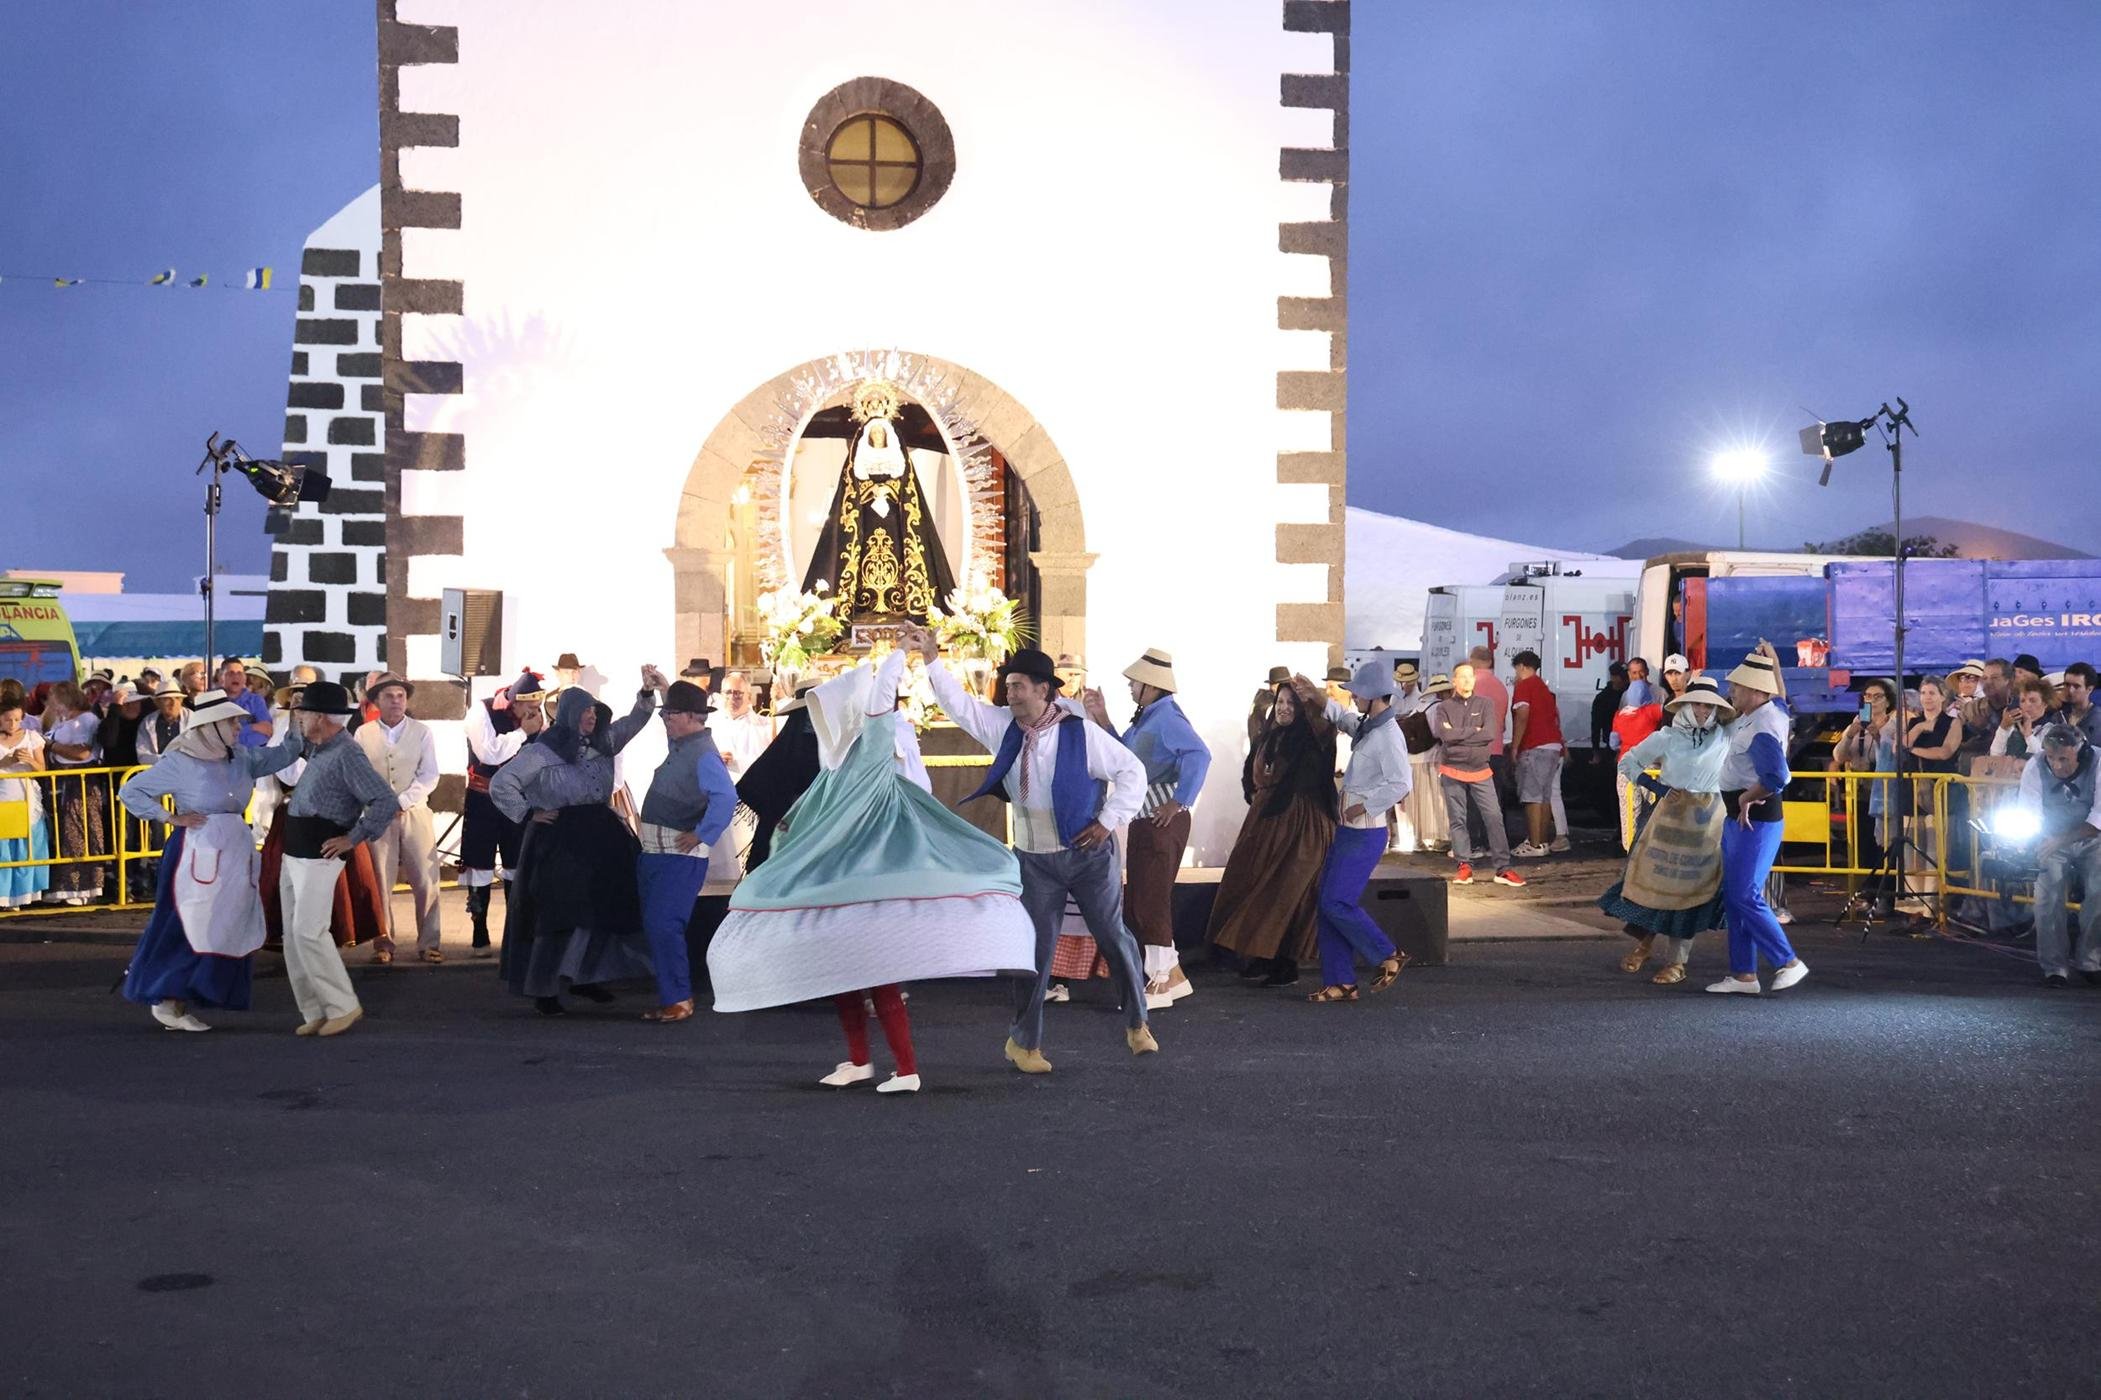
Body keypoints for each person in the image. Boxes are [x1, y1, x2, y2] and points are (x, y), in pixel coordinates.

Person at [709, 648, 1037, 1092]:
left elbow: (881, 704)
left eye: (819, 711)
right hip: (837, 881)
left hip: (873, 882)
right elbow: (814, 802)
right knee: (840, 975)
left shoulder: (871, 753)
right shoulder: (836, 763)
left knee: (879, 979)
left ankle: (906, 1069)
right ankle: (859, 1060)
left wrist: (898, 657)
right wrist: (790, 825)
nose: (812, 722)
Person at [914, 628, 1158, 1072]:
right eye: (1007, 686)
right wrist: (931, 658)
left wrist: (1107, 822)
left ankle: (1137, 1023)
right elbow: (959, 706)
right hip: (1033, 859)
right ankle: (1024, 1044)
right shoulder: (1004, 728)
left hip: (1086, 854)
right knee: (1033, 950)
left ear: (1043, 690)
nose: (1009, 694)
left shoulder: (1080, 732)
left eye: (1017, 686)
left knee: (1111, 934)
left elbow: (1132, 772)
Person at [116, 690, 303, 1031]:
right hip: (195, 850)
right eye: (231, 721)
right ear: (212, 726)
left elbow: (286, 754)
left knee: (225, 923)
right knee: (188, 922)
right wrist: (170, 818)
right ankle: (167, 998)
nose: (237, 727)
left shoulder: (242, 757)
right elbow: (131, 791)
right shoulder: (181, 762)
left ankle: (187, 994)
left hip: (232, 849)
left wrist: (296, 720)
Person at [490, 676, 658, 1015]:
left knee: (601, 909)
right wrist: (529, 813)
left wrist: (646, 693)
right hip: (559, 837)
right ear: (569, 714)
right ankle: (544, 987)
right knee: (558, 914)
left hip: (599, 832)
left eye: (594, 711)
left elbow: (636, 720)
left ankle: (586, 976)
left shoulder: (605, 741)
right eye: (585, 711)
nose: (591, 717)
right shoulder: (542, 751)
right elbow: (502, 783)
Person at [1080, 648, 1212, 1010]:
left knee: (1150, 902)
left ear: (1151, 686)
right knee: (1142, 900)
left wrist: (1179, 800)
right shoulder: (1149, 718)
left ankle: (1158, 981)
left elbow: (1200, 754)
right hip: (1148, 820)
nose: (1131, 687)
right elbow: (1125, 757)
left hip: (1159, 820)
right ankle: (1171, 974)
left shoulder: (1166, 718)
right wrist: (1103, 718)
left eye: (1134, 682)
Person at [277, 682, 399, 1036]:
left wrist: (354, 838)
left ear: (319, 717)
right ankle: (315, 1009)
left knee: (308, 931)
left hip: (318, 851)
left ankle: (342, 1006)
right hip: (297, 850)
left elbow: (384, 800)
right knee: (294, 934)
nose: (298, 716)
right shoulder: (320, 748)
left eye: (303, 711)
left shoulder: (346, 752)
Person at [1600, 678, 1734, 984]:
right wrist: (1655, 786)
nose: (1702, 710)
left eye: (1709, 705)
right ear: (1687, 706)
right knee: (1654, 883)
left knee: (1691, 890)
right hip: (1670, 819)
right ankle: (1645, 944)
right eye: (1697, 703)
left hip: (1708, 822)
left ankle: (1677, 961)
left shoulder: (1725, 734)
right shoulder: (1667, 737)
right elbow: (1629, 762)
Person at [1209, 673, 1337, 986]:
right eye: (1280, 702)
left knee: (1288, 891)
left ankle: (1285, 962)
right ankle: (1261, 955)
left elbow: (1326, 725)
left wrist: (1318, 700)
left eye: (1292, 703)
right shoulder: (1269, 735)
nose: (1284, 709)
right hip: (1267, 822)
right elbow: (1253, 772)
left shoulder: (1313, 736)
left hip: (1302, 824)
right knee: (1257, 886)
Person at [1304, 661, 1411, 1004]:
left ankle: (1387, 953)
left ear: (1371, 696)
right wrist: (1320, 700)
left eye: (1358, 693)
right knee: (1329, 903)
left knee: (1335, 901)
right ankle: (1341, 982)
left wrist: (1364, 806)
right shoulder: (1373, 726)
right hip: (1353, 832)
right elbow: (1350, 722)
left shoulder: (1388, 735)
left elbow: (1400, 783)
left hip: (1364, 833)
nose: (1354, 698)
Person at [636, 672, 739, 1024]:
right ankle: (674, 996)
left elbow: (726, 796)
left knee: (664, 924)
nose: (665, 719)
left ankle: (678, 998)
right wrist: (665, 688)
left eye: (671, 714)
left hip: (676, 855)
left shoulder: (702, 755)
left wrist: (702, 833)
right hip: (659, 853)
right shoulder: (685, 746)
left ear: (692, 718)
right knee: (659, 923)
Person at [1706, 644, 1809, 995]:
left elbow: (1778, 777)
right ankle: (1743, 974)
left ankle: (1787, 961)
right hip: (1743, 817)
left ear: (1755, 691)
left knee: (1745, 894)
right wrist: (1776, 664)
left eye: (1737, 687)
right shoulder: (1767, 710)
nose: (1731, 691)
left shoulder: (1763, 725)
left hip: (1756, 818)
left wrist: (1748, 797)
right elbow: (1779, 693)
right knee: (1736, 895)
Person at [353, 674, 444, 964]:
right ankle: (384, 942)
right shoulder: (363, 734)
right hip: (378, 816)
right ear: (377, 701)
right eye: (390, 696)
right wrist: (380, 803)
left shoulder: (421, 732)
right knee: (380, 879)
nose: (396, 701)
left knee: (426, 878)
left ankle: (429, 941)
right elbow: (360, 775)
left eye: (400, 696)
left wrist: (404, 800)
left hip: (414, 812)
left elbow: (429, 774)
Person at [460, 670, 548, 958]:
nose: (534, 712)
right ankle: (479, 932)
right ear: (514, 702)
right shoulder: (481, 711)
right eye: (529, 707)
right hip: (483, 798)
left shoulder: (536, 720)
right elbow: (489, 754)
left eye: (537, 706)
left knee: (517, 863)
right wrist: (523, 733)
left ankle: (517, 934)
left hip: (516, 799)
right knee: (479, 865)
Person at [2018, 724, 2101, 988]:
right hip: (2050, 835)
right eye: (2052, 758)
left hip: (2092, 836)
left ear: (2081, 753)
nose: (2057, 765)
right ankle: (2055, 967)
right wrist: (2032, 844)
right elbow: (2030, 811)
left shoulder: (2099, 762)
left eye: (2063, 758)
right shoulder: (2035, 766)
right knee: (2047, 896)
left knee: (2099, 892)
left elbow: (2099, 817)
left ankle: (2091, 960)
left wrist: (2061, 840)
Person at [1431, 662, 1524, 888]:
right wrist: (1475, 732)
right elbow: (1445, 736)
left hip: (1480, 769)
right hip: (1452, 769)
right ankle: (1464, 865)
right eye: (1461, 677)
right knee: (1458, 819)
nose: (1466, 681)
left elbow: (1490, 733)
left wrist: (1458, 736)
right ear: (1453, 681)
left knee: (1494, 816)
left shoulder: (1485, 704)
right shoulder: (1443, 707)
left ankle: (1503, 868)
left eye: (1470, 677)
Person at [1829, 679, 1900, 918]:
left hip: (1884, 793)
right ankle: (1868, 893)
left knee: (1885, 846)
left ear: (1888, 700)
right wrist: (1850, 734)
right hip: (1861, 792)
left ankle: (1885, 896)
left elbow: (1893, 755)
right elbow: (1839, 756)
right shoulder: (1858, 723)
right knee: (1865, 846)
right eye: (1867, 696)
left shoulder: (1895, 724)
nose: (1871, 700)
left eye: (1877, 696)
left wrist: (1878, 736)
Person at [736, 682, 821, 870]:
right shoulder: (820, 748)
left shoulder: (786, 745)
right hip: (800, 834)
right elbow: (751, 785)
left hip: (790, 834)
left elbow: (752, 785)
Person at [40, 681, 107, 905]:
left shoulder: (86, 720)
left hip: (81, 781)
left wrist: (50, 745)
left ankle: (83, 886)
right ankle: (67, 885)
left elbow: (82, 752)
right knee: (66, 833)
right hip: (62, 782)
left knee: (79, 832)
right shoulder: (63, 721)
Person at [1509, 650, 1565, 858]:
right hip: (1552, 747)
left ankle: (1534, 844)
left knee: (1531, 796)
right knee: (1544, 796)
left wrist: (1515, 746)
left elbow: (1522, 716)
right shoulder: (1543, 687)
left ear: (1522, 666)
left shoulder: (1525, 685)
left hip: (1534, 746)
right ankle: (1541, 841)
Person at [0, 689, 53, 910]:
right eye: (7, 719)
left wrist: (30, 760)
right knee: (4, 847)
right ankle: (3, 895)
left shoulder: (32, 737)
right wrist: (7, 762)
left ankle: (23, 895)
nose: (12, 724)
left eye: (16, 719)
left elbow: (43, 770)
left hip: (28, 798)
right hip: (3, 798)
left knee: (28, 844)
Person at [1400, 671, 1451, 854]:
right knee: (1435, 798)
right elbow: (1440, 734)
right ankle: (1439, 836)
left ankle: (1418, 837)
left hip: (1412, 758)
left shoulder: (1418, 706)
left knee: (1418, 799)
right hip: (1430, 757)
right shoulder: (1438, 708)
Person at [1991, 678, 2058, 760]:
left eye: (2032, 701)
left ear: (2045, 704)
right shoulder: (2013, 727)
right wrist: (2003, 728)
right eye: (2023, 701)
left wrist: (2029, 736)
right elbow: (1994, 756)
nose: (2027, 705)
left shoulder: (2052, 730)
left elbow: (2046, 760)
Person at [216, 659, 274, 747]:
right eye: (231, 673)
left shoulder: (256, 701)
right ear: (221, 677)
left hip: (249, 757)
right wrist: (253, 727)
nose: (236, 677)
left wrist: (232, 739)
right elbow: (215, 737)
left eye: (239, 673)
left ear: (244, 678)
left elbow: (266, 733)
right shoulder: (212, 700)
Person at [134, 682, 187, 765]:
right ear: (157, 702)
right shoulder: (147, 723)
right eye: (167, 699)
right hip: (159, 773)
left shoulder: (194, 720)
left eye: (177, 698)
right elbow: (143, 756)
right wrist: (167, 761)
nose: (173, 703)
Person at [2059, 662, 2099, 747]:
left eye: (2076, 686)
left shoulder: (2098, 720)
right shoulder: (2058, 715)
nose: (2070, 690)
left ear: (2089, 689)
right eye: (2067, 685)